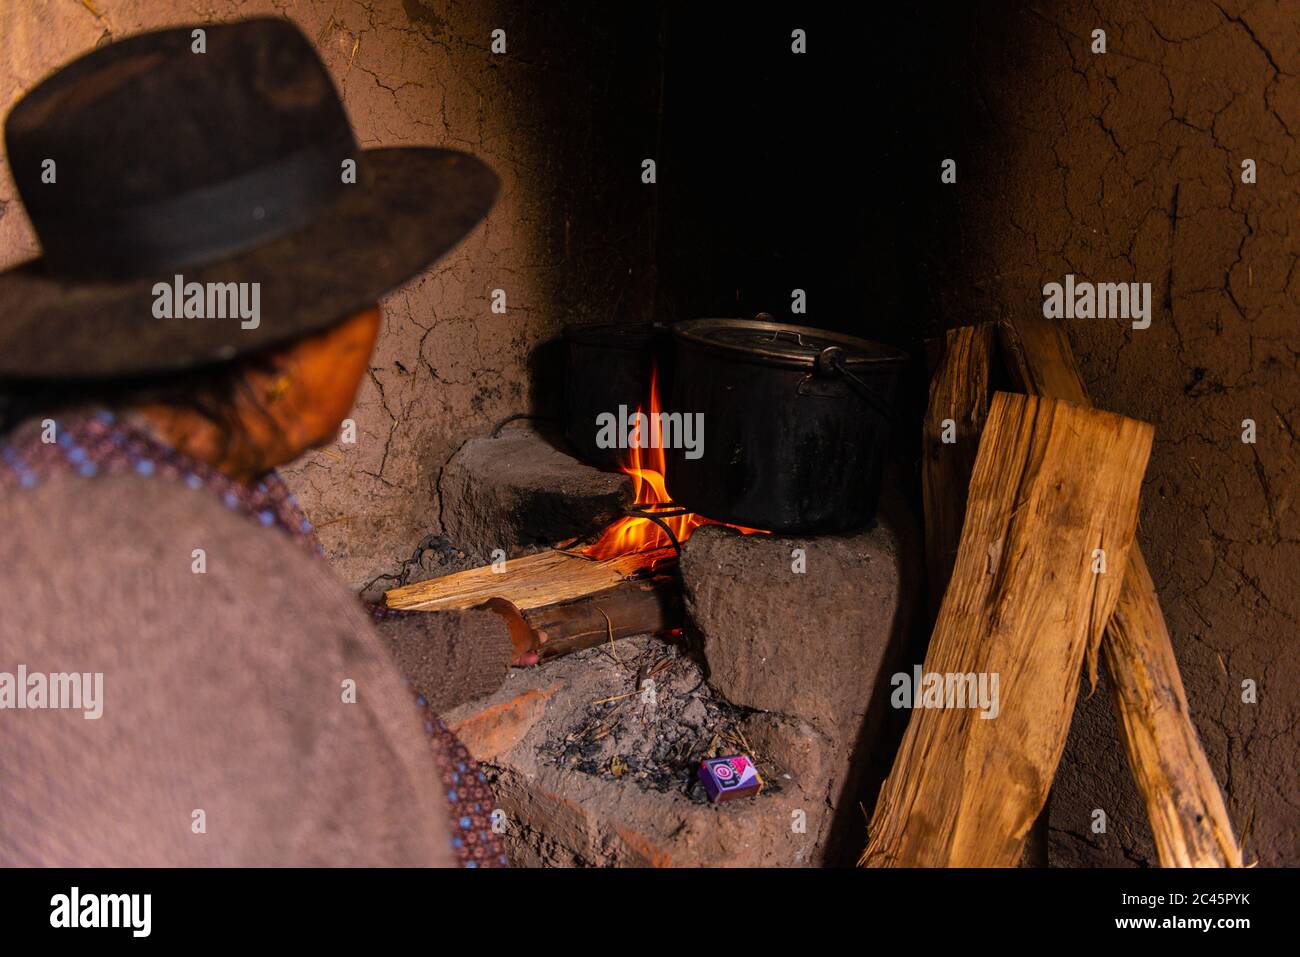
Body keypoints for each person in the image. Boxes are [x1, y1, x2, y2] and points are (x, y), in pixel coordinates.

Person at [0, 18, 511, 866]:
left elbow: (294, 671)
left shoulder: (144, 459)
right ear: (279, 360)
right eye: (363, 290)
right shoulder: (112, 607)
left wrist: (476, 647)